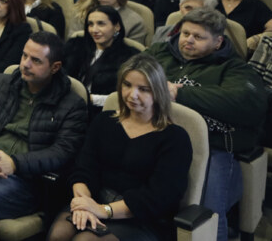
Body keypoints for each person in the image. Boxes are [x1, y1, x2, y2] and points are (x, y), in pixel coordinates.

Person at [0, 32, 89, 241]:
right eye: (24, 56)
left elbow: (61, 152)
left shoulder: (72, 105)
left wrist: (14, 163)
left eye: (36, 60)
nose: (25, 64)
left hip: (24, 181)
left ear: (55, 67)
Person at [146, 7, 267, 240]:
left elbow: (245, 102)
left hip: (212, 146)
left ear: (218, 41)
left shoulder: (233, 67)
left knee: (207, 213)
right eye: (185, 33)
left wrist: (179, 93)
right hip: (156, 135)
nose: (188, 40)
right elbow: (129, 73)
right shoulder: (160, 51)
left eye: (198, 37)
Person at [47, 54, 192, 241]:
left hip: (140, 217)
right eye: (127, 85)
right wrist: (84, 203)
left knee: (85, 240)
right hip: (95, 199)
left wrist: (103, 210)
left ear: (158, 92)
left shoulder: (175, 138)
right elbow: (84, 168)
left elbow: (158, 197)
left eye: (143, 89)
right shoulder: (104, 121)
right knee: (59, 234)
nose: (132, 95)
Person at [64, 5, 139, 113]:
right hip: (67, 106)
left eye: (101, 24)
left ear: (117, 27)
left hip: (103, 111)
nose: (94, 30)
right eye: (90, 24)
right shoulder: (75, 45)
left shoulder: (129, 57)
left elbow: (124, 96)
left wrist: (91, 99)